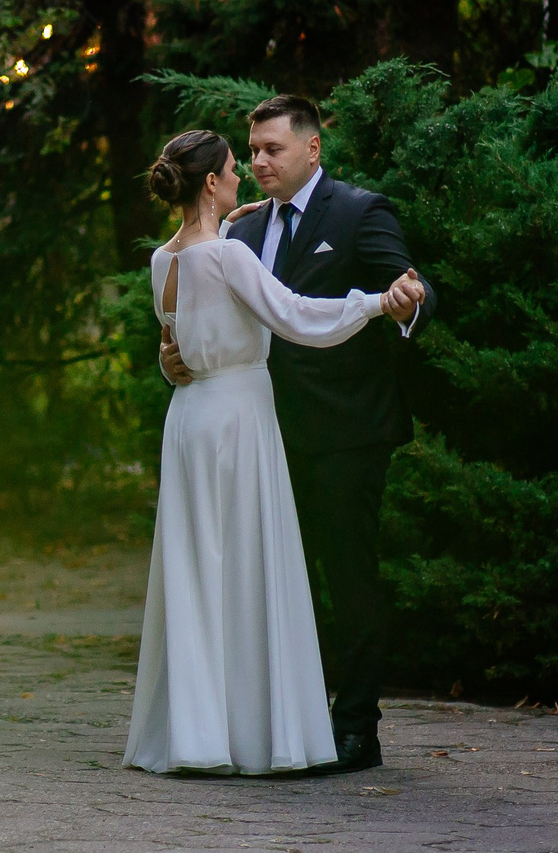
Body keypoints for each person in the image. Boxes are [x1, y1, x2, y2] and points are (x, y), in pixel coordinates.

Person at [125, 129, 424, 776]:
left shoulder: (161, 258)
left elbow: (176, 341)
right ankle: (255, 731)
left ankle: (196, 731)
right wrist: (377, 301)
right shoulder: (229, 255)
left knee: (199, 574)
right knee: (250, 570)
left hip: (190, 421)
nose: (246, 173)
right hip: (238, 417)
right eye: (236, 165)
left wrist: (168, 360)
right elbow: (296, 315)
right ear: (211, 182)